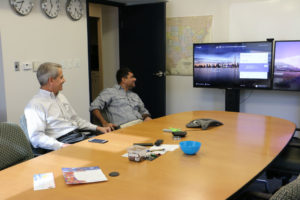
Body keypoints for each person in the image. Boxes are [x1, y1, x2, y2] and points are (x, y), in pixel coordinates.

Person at [24, 62, 111, 153]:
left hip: (77, 136)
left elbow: (76, 120)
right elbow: (36, 137)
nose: (64, 80)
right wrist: (61, 146)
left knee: (110, 145)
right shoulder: (35, 105)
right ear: (51, 81)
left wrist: (98, 128)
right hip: (63, 142)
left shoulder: (60, 97)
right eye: (61, 77)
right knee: (101, 154)